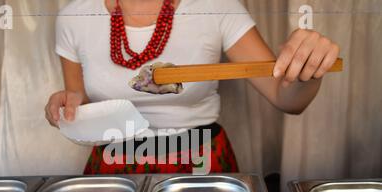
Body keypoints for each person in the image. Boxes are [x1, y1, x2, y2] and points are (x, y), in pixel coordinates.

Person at [45, 0, 340, 175]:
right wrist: (68, 106)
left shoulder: (217, 7)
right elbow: (81, 104)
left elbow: (287, 99)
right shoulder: (74, 15)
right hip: (114, 164)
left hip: (201, 160)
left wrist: (307, 70)